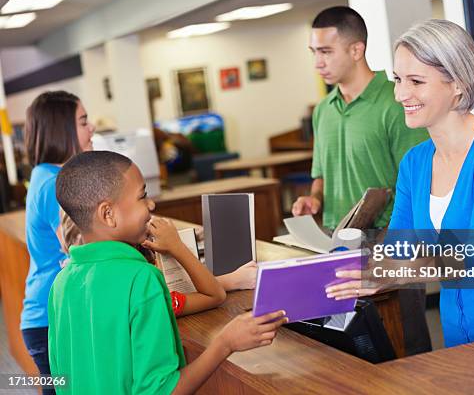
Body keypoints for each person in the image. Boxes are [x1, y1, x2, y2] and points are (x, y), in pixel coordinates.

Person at [326, 19, 474, 347]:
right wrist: (340, 267)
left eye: (415, 81)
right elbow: (398, 248)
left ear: (457, 84)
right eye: (398, 79)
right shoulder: (415, 162)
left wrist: (390, 275)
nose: (400, 94)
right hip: (460, 342)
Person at [49, 151, 287, 394]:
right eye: (142, 196)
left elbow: (60, 377)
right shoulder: (140, 279)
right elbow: (162, 390)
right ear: (108, 214)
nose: (151, 204)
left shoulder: (60, 284)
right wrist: (225, 343)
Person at [291, 6, 431, 355]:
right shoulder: (323, 109)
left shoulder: (397, 101)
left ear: (356, 50)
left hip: (386, 240)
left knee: (406, 344)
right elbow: (320, 176)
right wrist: (314, 200)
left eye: (325, 51)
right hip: (333, 243)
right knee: (350, 348)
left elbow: (418, 181)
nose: (317, 63)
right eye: (314, 52)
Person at [21, 91, 94, 394]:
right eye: (83, 121)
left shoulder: (45, 175)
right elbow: (81, 247)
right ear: (60, 129)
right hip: (51, 320)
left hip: (44, 316)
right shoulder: (54, 183)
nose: (92, 129)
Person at [60, 212, 257, 317]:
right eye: (141, 197)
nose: (150, 205)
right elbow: (211, 295)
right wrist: (177, 247)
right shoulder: (142, 286)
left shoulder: (66, 283)